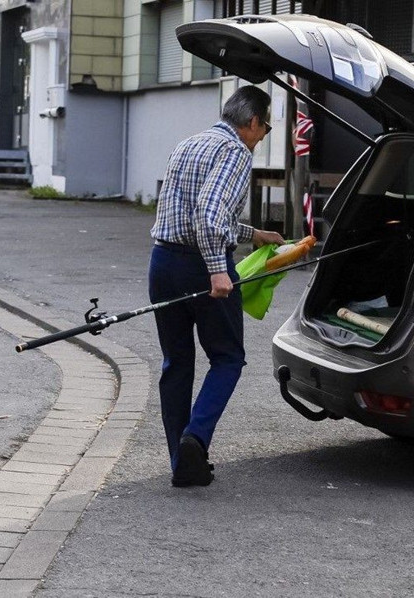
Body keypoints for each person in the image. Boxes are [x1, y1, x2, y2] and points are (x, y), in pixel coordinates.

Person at [149, 85, 284, 487]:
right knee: (227, 358)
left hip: (163, 263)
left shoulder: (189, 144)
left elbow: (192, 211)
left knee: (177, 362)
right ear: (253, 121)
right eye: (265, 129)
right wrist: (217, 270)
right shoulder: (236, 152)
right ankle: (196, 438)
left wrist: (251, 233)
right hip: (202, 268)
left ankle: (182, 464)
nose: (261, 138)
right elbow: (208, 218)